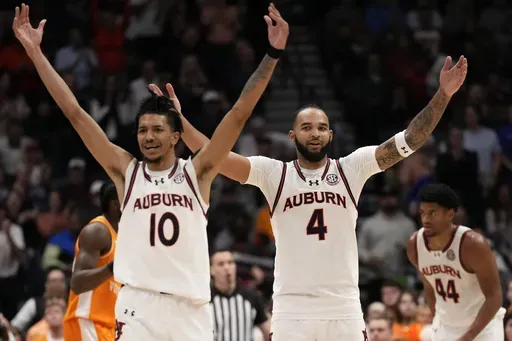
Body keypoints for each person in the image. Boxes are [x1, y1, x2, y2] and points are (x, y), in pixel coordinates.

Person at [12, 3, 289, 340]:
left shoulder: (198, 172)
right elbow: (75, 113)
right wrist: (35, 53)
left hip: (191, 307)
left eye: (157, 130)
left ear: (176, 135)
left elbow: (238, 113)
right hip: (137, 305)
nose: (148, 137)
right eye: (142, 130)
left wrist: (272, 54)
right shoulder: (126, 172)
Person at [150, 50, 468, 340]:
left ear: (330, 134)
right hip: (292, 310)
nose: (314, 133)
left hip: (342, 307)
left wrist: (443, 95)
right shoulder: (273, 173)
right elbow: (214, 157)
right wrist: (179, 121)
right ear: (292, 135)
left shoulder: (352, 168)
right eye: (306, 127)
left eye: (320, 127)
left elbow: (410, 140)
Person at [406, 183, 506, 341]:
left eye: (432, 213)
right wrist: (436, 322)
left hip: (483, 328)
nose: (425, 219)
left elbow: (495, 296)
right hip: (445, 328)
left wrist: (469, 337)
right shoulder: (414, 245)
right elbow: (429, 287)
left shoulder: (473, 245)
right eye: (422, 213)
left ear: (450, 214)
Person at [62, 181, 121, 341]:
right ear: (115, 204)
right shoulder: (97, 231)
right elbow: (78, 283)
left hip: (110, 326)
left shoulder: (123, 235)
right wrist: (113, 267)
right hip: (86, 321)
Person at [209, 250, 270, 341]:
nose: (226, 267)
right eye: (221, 264)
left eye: (230, 262)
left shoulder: (251, 297)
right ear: (211, 270)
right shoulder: (206, 300)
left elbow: (268, 331)